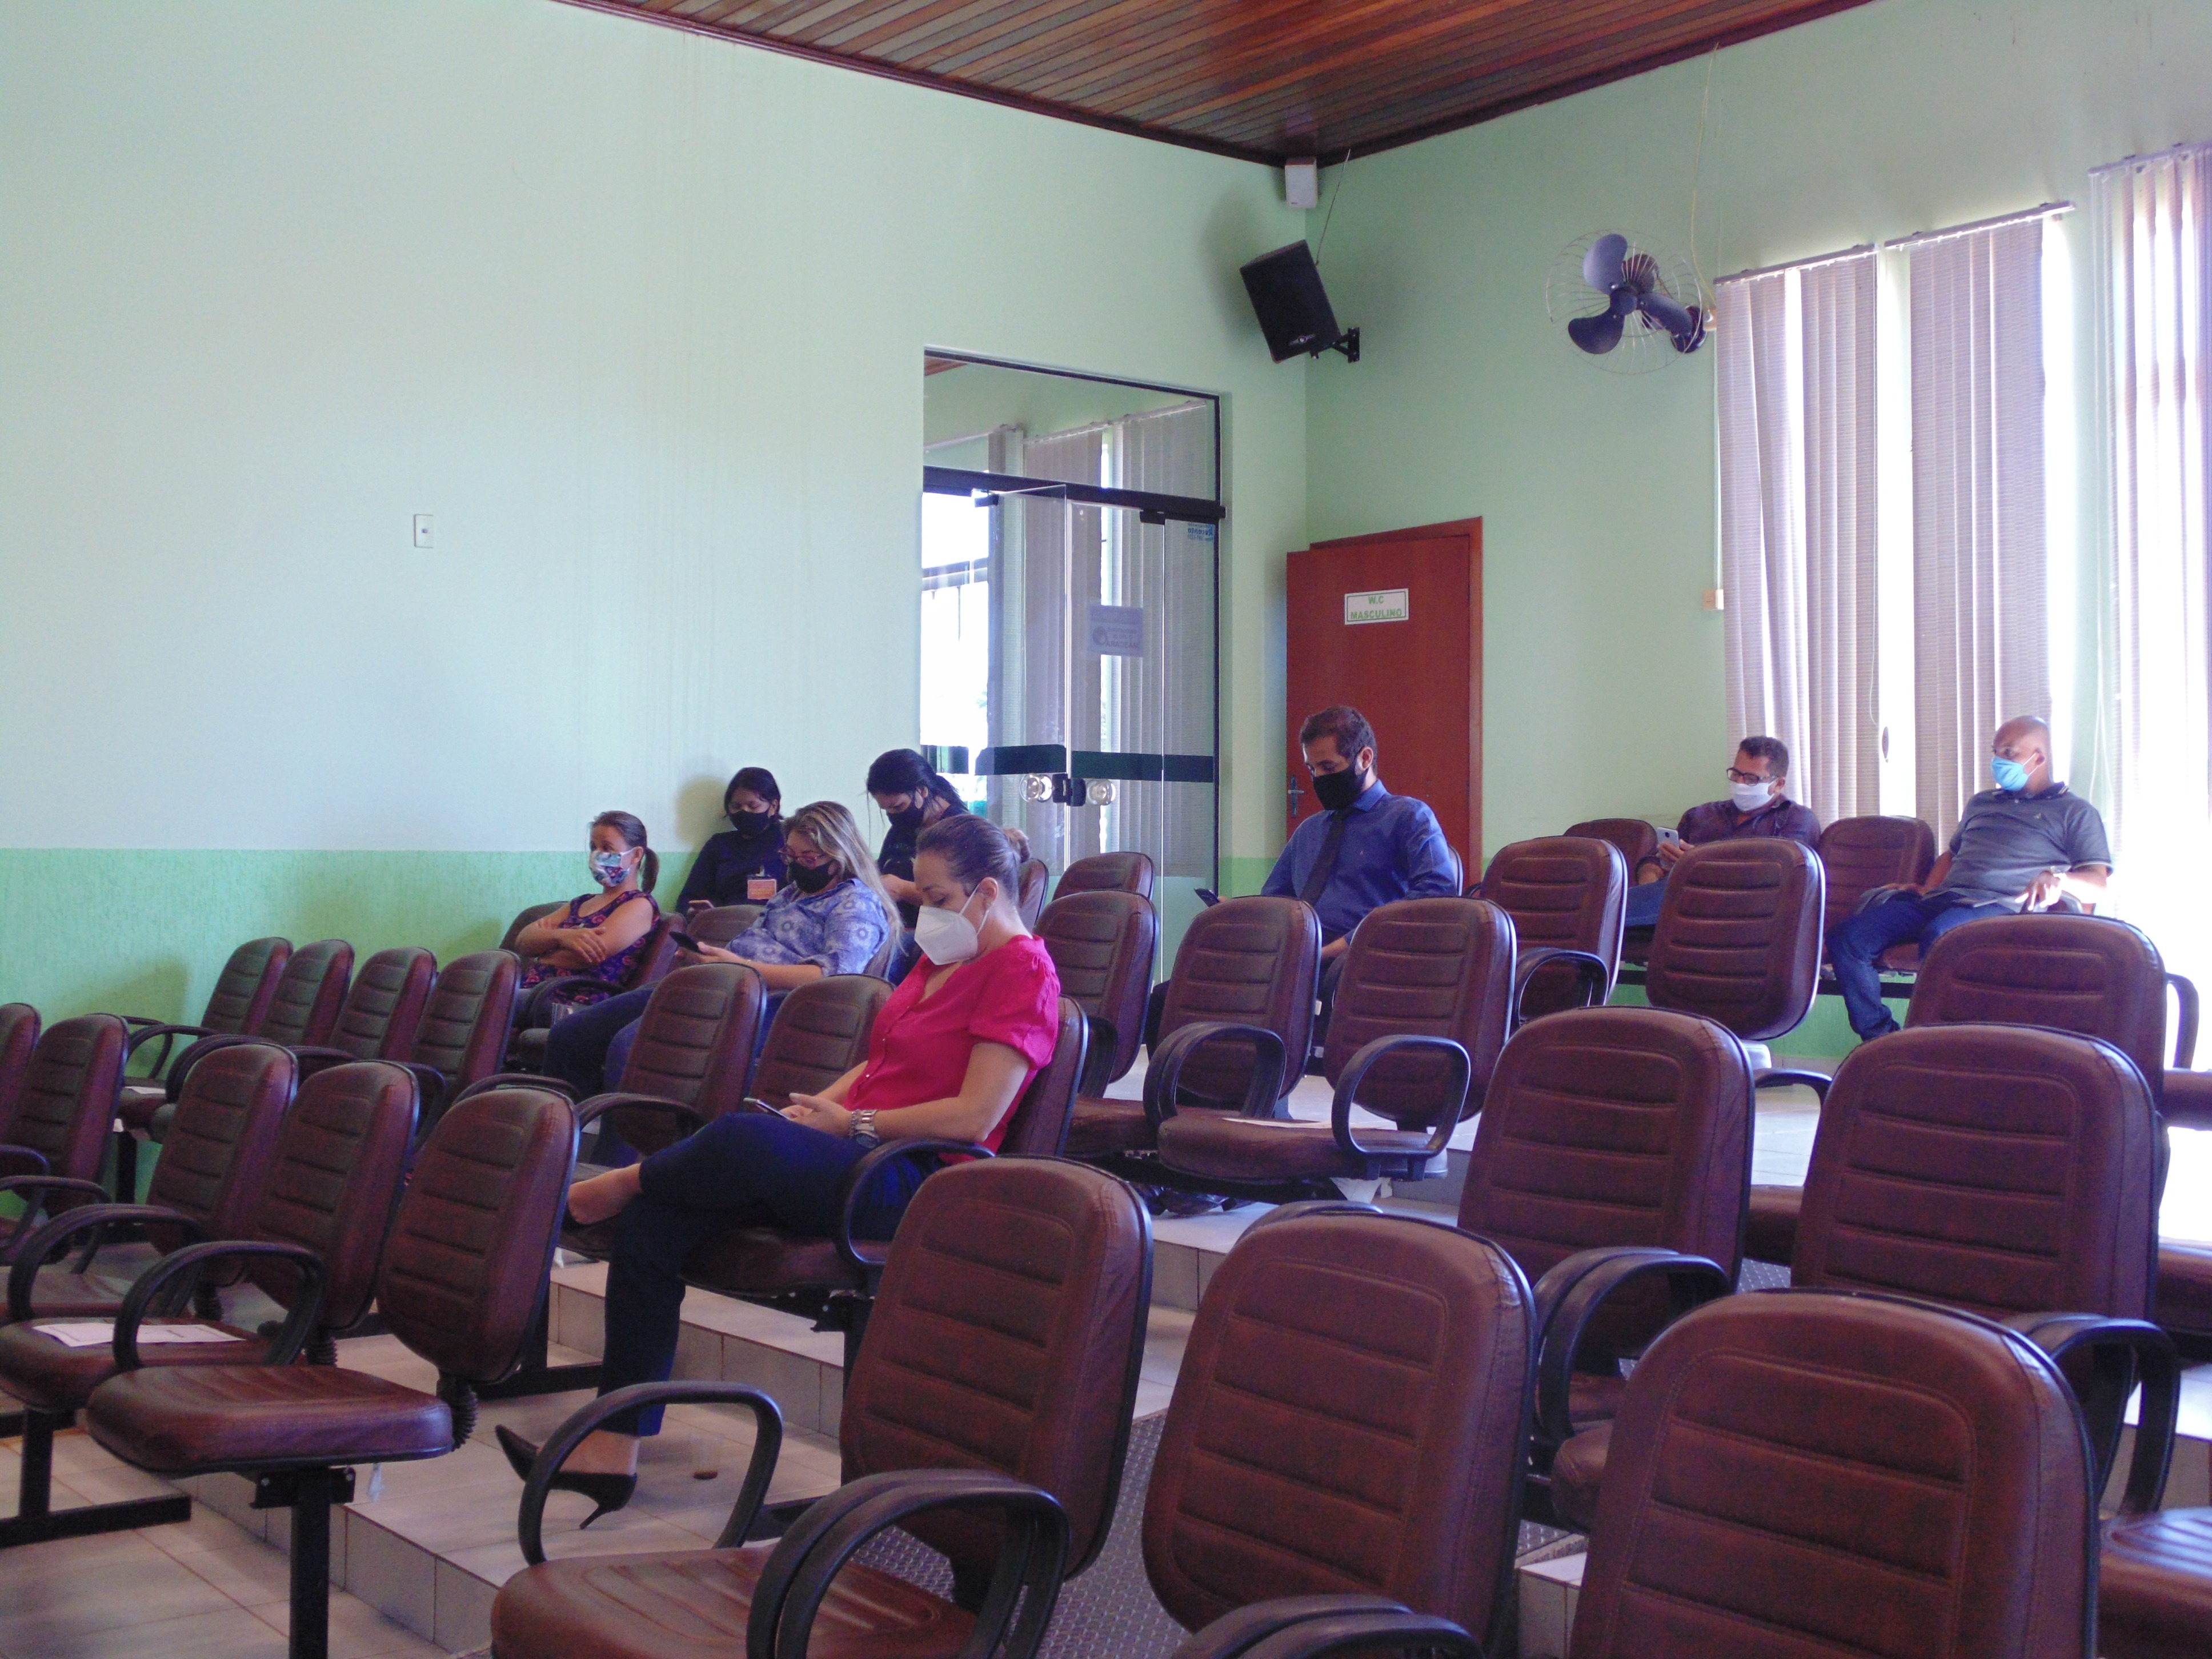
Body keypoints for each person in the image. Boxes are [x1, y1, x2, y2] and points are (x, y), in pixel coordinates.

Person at [496, 815, 1060, 1520]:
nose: (927, 915)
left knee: (739, 1139)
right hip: (859, 1146)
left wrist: (851, 1124)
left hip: (918, 1176)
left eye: (938, 899)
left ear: (986, 893)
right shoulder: (945, 959)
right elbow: (880, 1061)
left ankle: (605, 1188)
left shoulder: (1023, 971)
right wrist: (816, 1108)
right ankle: (613, 1450)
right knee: (657, 1220)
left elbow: (974, 1117)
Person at [542, 802, 896, 1105]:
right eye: (790, 854)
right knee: (572, 1034)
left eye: (808, 857)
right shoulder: (791, 894)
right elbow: (755, 947)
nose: (796, 863)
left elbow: (835, 978)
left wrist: (742, 968)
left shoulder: (855, 904)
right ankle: (566, 1133)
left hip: (767, 1002)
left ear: (839, 856)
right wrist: (710, 958)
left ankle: (620, 1152)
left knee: (629, 1048)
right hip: (722, 982)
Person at [1830, 716, 2111, 1040]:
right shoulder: (1982, 803)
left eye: (2009, 753)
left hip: (2001, 907)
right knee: (1848, 938)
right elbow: (1951, 855)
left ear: (2039, 758)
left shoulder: (2075, 812)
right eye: (1995, 752)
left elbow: (2098, 883)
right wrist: (1927, 889)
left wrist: (2059, 880)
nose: (1998, 761)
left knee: (1942, 937)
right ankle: (1882, 1040)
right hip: (1944, 900)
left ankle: (1936, 1043)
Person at [1262, 706, 1459, 956]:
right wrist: (1240, 915)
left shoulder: (1408, 817)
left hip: (1370, 957)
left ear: (1365, 759)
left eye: (1328, 767)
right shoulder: (1308, 831)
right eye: (1312, 769)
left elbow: (1435, 894)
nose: (1319, 778)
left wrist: (1341, 947)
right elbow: (1274, 902)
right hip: (1300, 958)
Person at [1624, 736, 1822, 929]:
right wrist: (1651, 879)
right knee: (1619, 898)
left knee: (1614, 912)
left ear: (1778, 784)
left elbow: (1781, 877)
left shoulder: (1797, 819)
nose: (1740, 783)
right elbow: (1652, 861)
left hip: (1749, 908)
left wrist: (1702, 867)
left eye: (1752, 779)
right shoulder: (1701, 815)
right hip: (1677, 897)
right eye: (1736, 774)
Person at [514, 812, 662, 995]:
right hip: (532, 992)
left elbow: (587, 956)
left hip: (574, 999)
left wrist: (543, 949)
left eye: (607, 848)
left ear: (636, 855)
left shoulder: (639, 904)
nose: (597, 854)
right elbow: (523, 941)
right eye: (593, 847)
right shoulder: (581, 902)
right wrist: (562, 937)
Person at [867, 748, 969, 925]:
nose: (893, 815)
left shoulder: (961, 830)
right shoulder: (902, 829)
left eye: (898, 807)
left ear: (922, 791)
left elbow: (966, 899)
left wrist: (903, 890)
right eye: (886, 810)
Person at [672, 767, 787, 913]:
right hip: (725, 922)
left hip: (775, 922)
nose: (744, 811)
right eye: (736, 806)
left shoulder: (789, 841)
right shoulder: (719, 845)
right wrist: (694, 912)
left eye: (753, 806)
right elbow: (687, 899)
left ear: (773, 806)